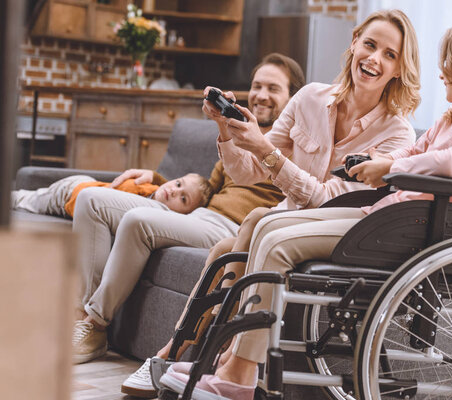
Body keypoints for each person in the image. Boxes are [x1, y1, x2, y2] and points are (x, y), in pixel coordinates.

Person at [161, 18, 452, 400]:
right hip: (391, 216)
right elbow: (414, 151)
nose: (440, 72)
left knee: (277, 241)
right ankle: (225, 363)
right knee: (267, 224)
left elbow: (451, 163)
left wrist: (390, 167)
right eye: (370, 46)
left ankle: (238, 374)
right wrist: (372, 161)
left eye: (446, 62)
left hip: (411, 227)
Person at [125, 8, 421, 398]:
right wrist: (226, 131)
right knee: (222, 251)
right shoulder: (310, 98)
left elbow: (328, 199)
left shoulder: (397, 133)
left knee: (257, 222)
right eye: (369, 45)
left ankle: (225, 361)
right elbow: (248, 173)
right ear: (353, 44)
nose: (374, 59)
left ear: (399, 68)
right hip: (283, 221)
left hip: (327, 231)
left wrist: (267, 151)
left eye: (389, 54)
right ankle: (181, 352)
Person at [70, 53, 305, 372]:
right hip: (201, 216)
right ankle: (80, 317)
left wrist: (254, 142)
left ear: (292, 97)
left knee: (138, 222)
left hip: (233, 229)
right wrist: (158, 181)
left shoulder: (295, 144)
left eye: (273, 89)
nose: (262, 95)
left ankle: (95, 324)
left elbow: (291, 191)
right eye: (257, 86)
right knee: (92, 200)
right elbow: (210, 186)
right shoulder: (239, 133)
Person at [11, 173, 211, 217]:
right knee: (26, 200)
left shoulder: (153, 212)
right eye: (178, 183)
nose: (174, 190)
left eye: (183, 198)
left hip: (80, 190)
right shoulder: (144, 188)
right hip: (71, 191)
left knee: (28, 197)